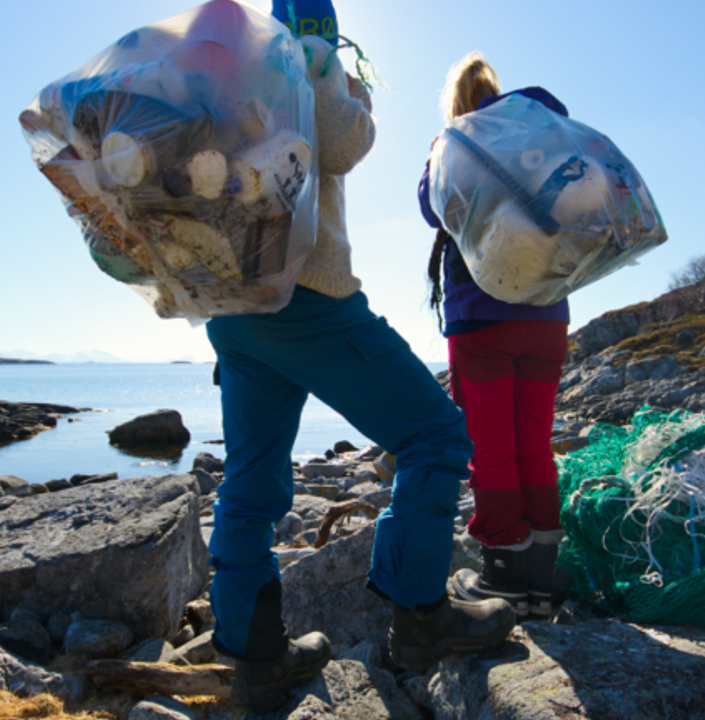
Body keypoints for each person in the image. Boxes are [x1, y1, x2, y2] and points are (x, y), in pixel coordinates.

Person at [205, 4, 515, 712]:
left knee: (250, 481)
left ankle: (256, 659)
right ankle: (421, 618)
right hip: (308, 294)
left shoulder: (226, 72)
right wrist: (354, 95)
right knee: (436, 434)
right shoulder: (305, 55)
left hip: (234, 307)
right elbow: (341, 144)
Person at [417, 52, 569, 620]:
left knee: (492, 452)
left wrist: (446, 139)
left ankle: (505, 574)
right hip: (548, 315)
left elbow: (431, 210)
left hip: (483, 319)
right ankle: (542, 579)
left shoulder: (453, 144)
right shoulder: (538, 135)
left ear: (456, 102)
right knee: (534, 445)